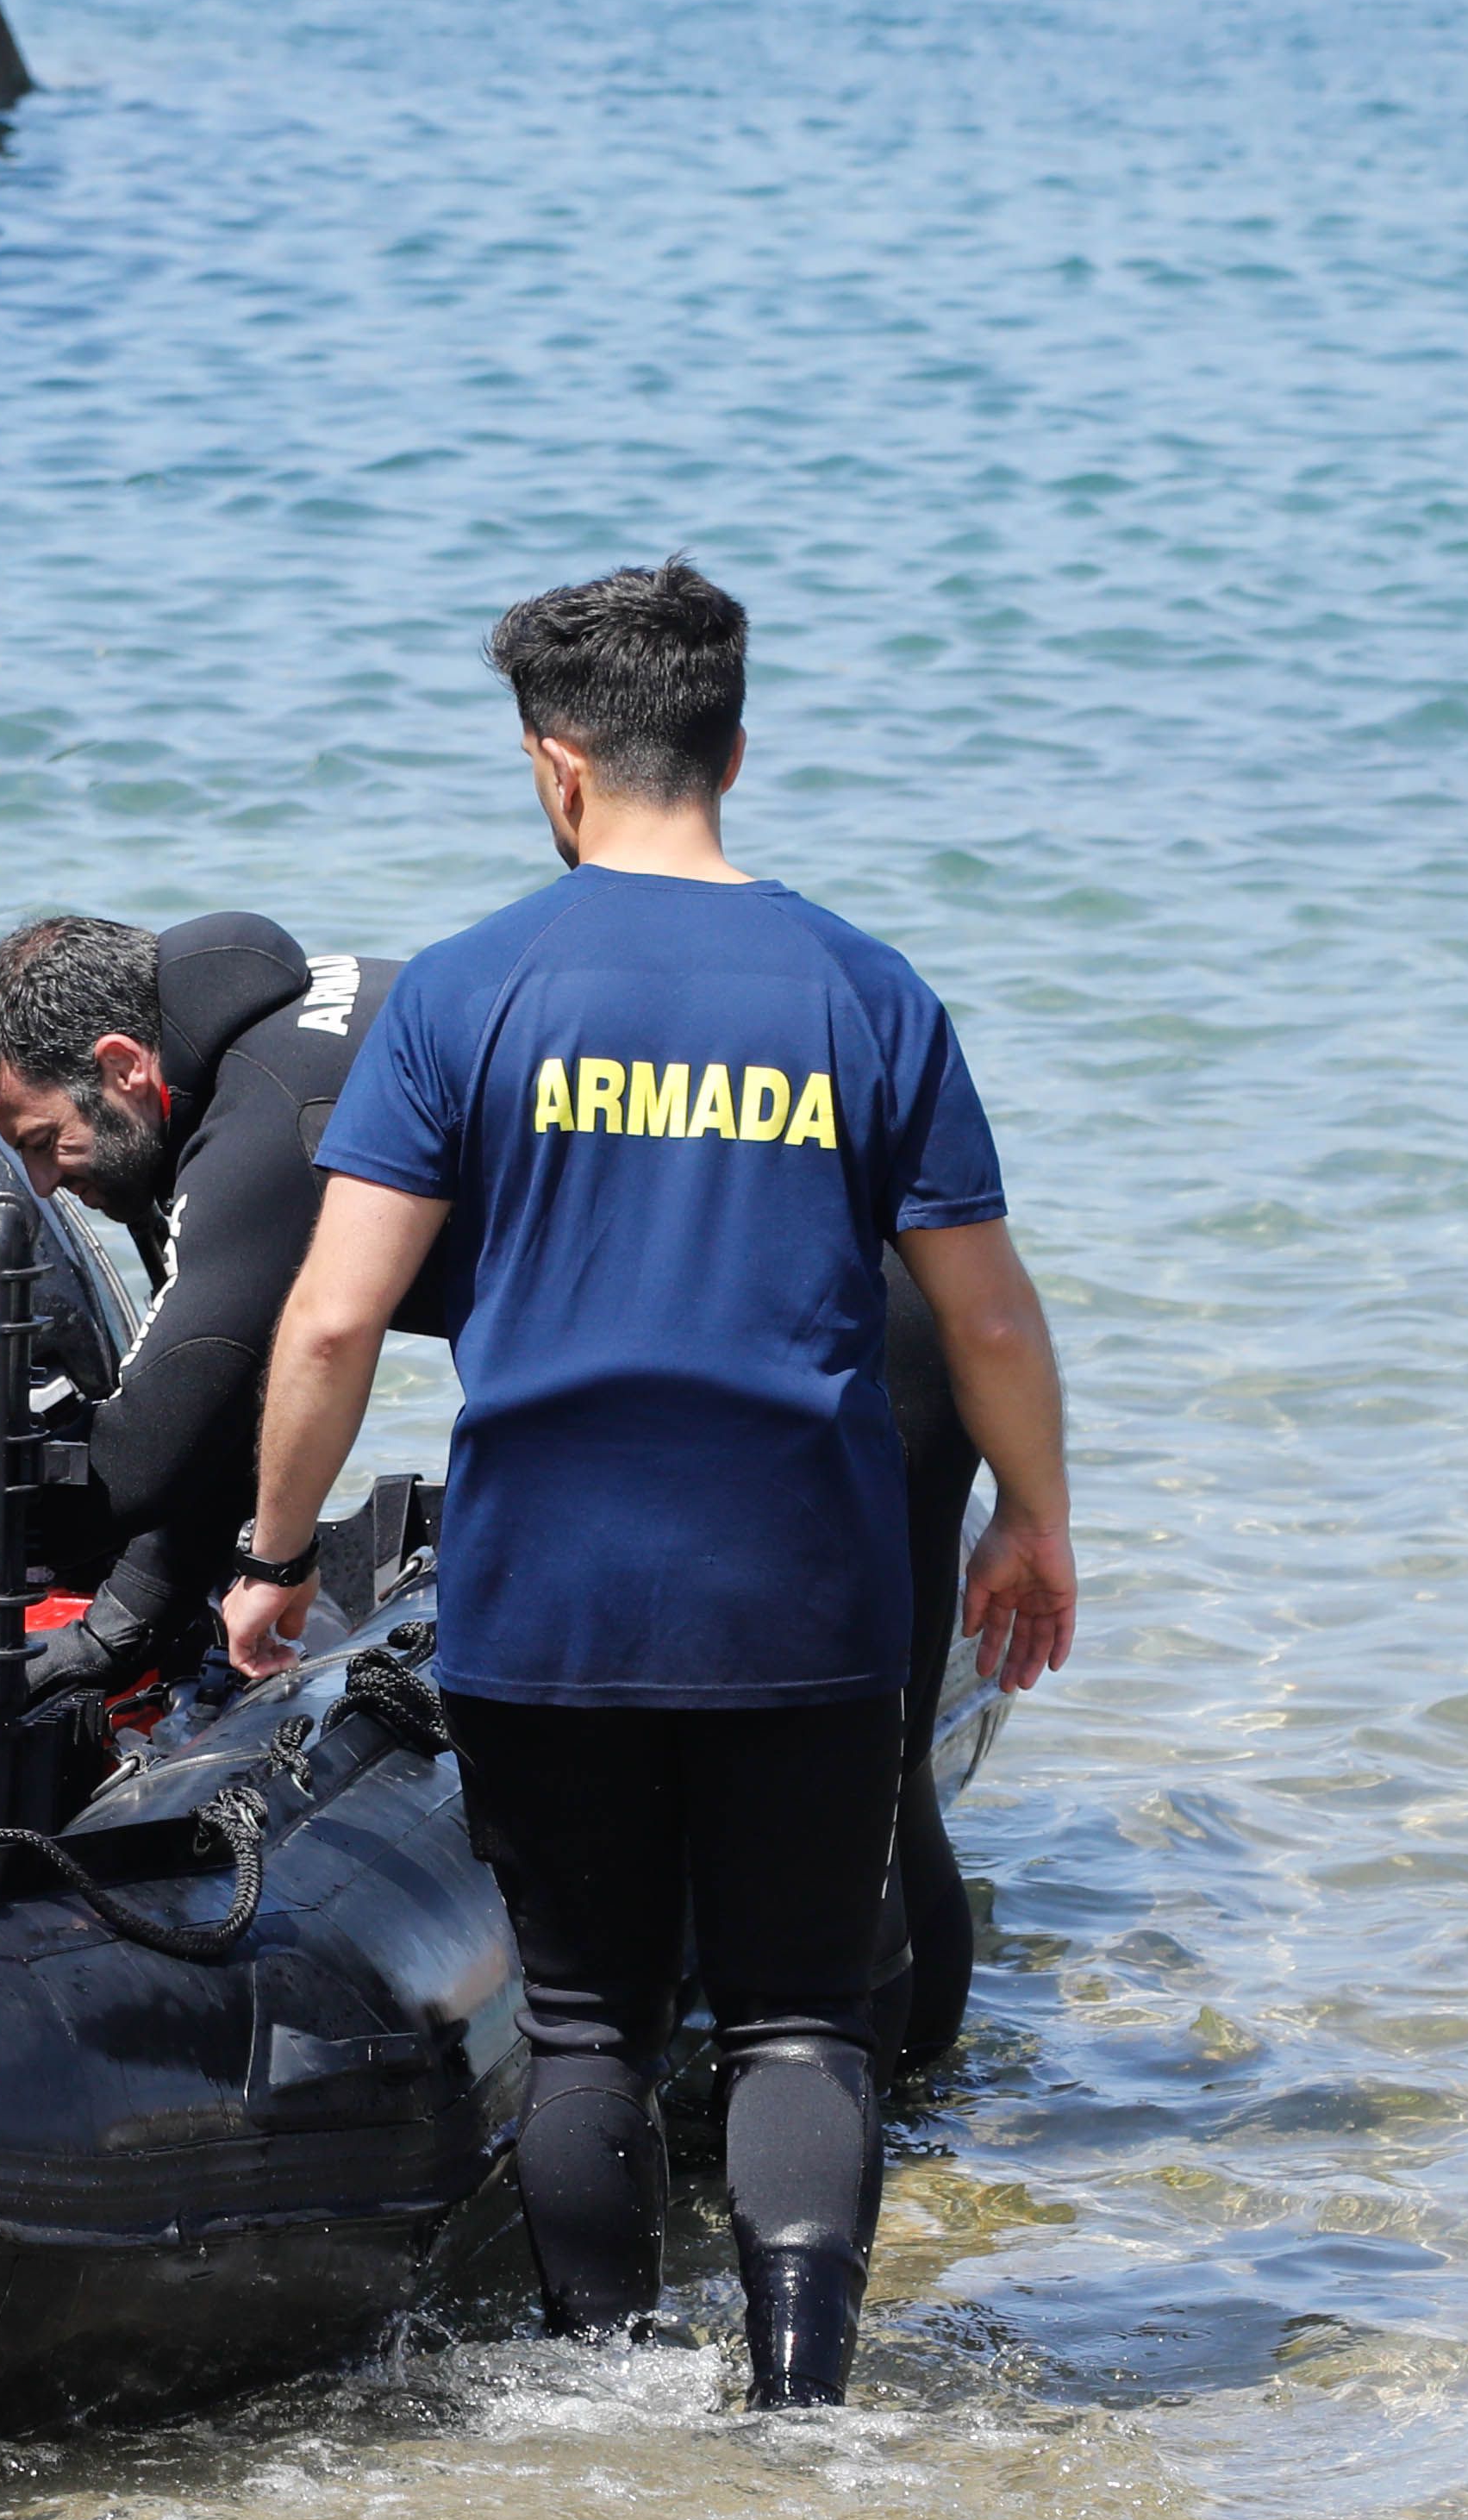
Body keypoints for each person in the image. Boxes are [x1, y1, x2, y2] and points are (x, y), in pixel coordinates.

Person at [220, 562, 1076, 2410]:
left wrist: (275, 1556)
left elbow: (331, 1321)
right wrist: (1036, 1517)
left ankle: (600, 2386)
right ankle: (800, 2405)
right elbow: (988, 1315)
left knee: (595, 2021)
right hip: (807, 1590)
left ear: (555, 767)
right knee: (796, 2013)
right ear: (737, 748)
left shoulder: (463, 996)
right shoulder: (868, 991)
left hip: (551, 1594)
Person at [0, 910, 467, 1701]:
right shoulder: (250, 1045)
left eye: (41, 1141)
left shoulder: (265, 1120)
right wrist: (124, 1626)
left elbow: (142, 1458)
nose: (44, 1184)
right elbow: (226, 1398)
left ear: (121, 1064)